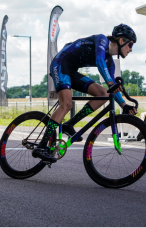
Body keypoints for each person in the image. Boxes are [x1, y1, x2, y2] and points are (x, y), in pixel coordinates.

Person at [32, 24, 138, 163]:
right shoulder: (102, 40)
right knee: (67, 104)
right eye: (130, 45)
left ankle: (70, 124)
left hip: (71, 70)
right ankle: (41, 146)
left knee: (104, 93)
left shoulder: (110, 62)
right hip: (60, 63)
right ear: (121, 40)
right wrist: (111, 84)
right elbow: (100, 61)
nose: (131, 49)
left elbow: (110, 86)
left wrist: (124, 105)